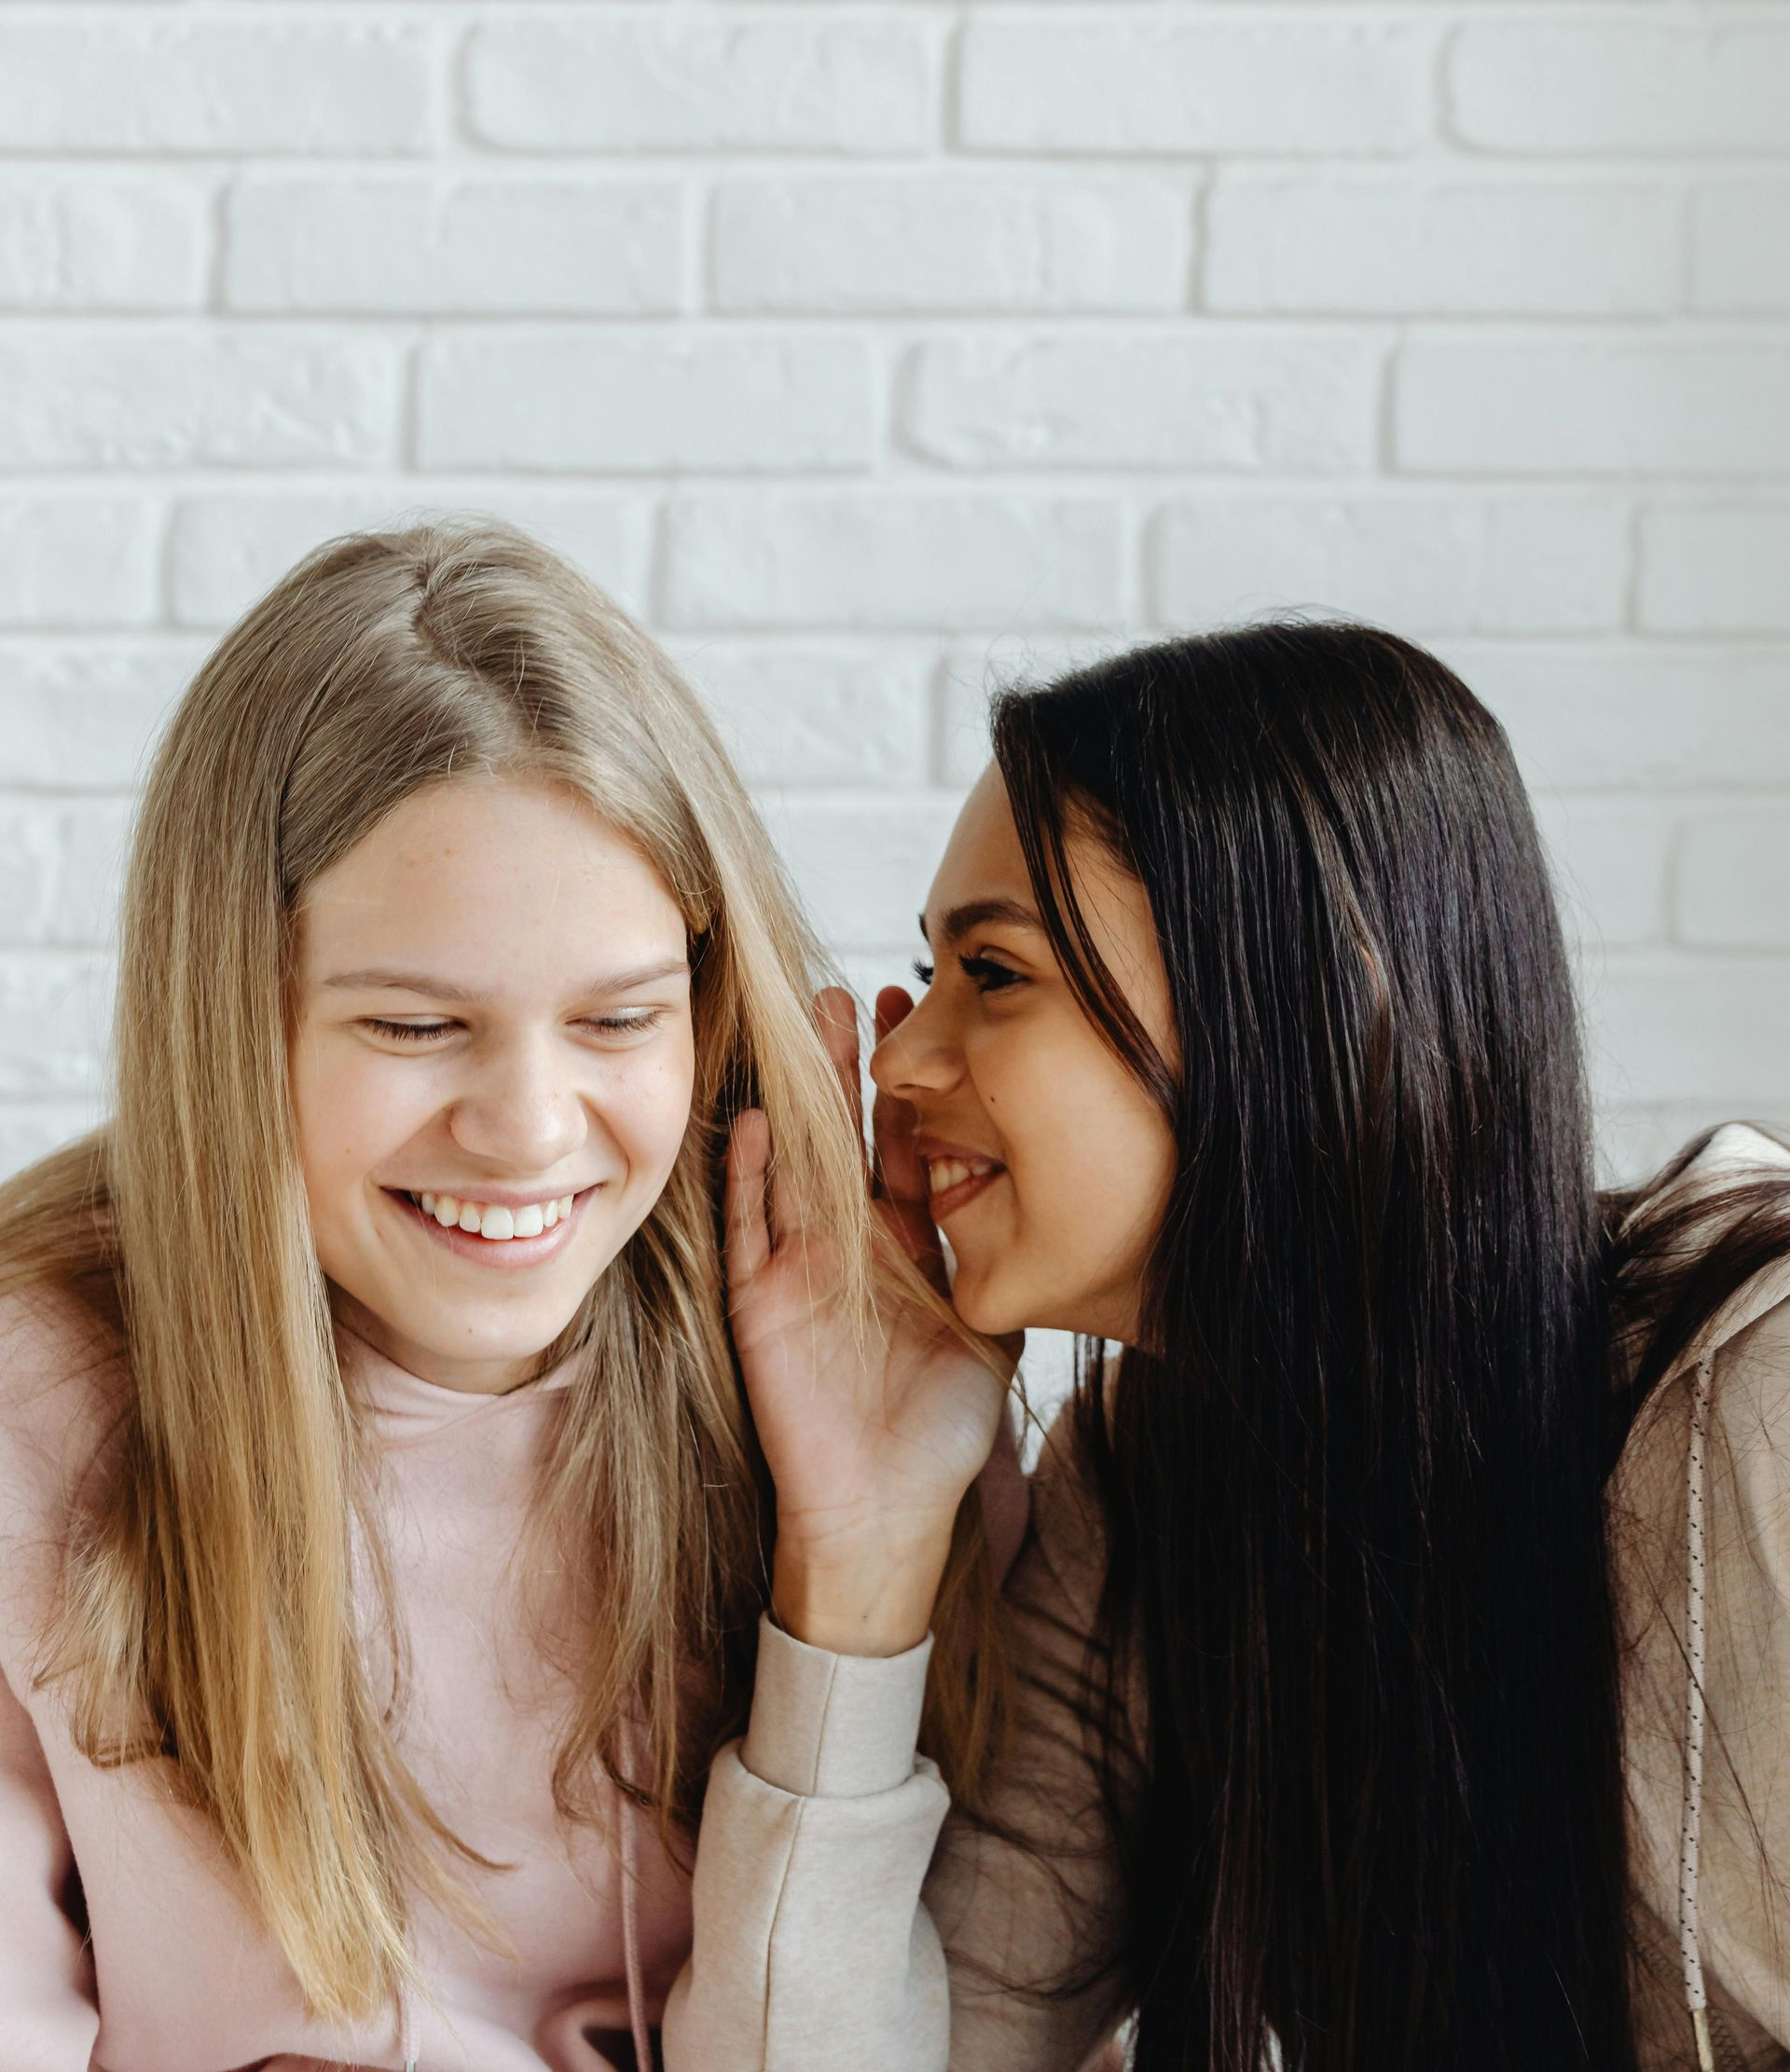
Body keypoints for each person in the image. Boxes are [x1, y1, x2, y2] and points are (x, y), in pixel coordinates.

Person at [667, 624, 1790, 2071]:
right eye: (926, 973)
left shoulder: (1748, 1404)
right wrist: (861, 1534)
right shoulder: (1139, 1483)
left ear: (1319, 996)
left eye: (994, 974)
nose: (897, 1059)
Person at [0, 519, 1010, 2072]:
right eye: (415, 1025)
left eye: (617, 1017)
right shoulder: (34, 1400)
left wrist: (853, 1572)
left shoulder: (839, 1371)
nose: (532, 1129)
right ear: (230, 1025)